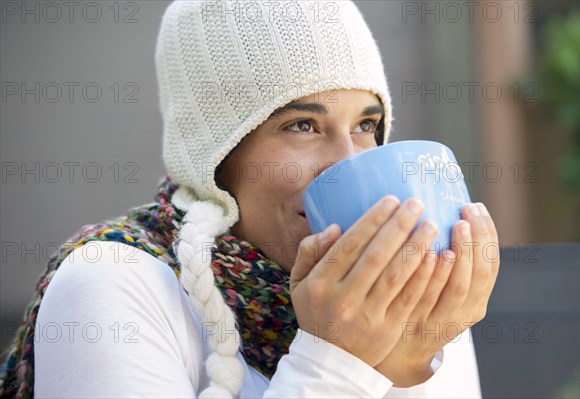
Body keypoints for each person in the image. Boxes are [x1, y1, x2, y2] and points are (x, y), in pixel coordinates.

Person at [0, 1, 499, 397]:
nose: (348, 161)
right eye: (302, 125)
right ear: (215, 157)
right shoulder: (111, 282)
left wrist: (411, 357)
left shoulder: (417, 292)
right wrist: (343, 361)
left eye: (366, 125)